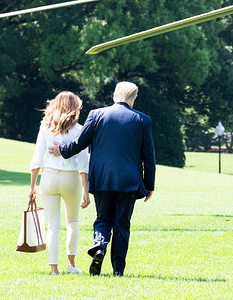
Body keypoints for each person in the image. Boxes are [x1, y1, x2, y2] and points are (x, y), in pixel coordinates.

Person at [48, 81, 156, 276]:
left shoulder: (96, 115)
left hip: (102, 178)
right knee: (122, 224)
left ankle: (99, 246)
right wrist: (149, 185)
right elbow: (148, 157)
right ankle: (118, 270)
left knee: (103, 219)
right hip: (129, 181)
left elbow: (80, 143)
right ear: (133, 99)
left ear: (115, 95)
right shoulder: (143, 120)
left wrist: (61, 150)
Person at [29, 91, 90, 275]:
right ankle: (71, 265)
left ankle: (54, 269)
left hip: (48, 177)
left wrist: (31, 187)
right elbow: (83, 163)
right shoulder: (79, 130)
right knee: (72, 221)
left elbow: (37, 158)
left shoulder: (45, 127)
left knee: (53, 225)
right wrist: (87, 191)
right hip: (71, 178)